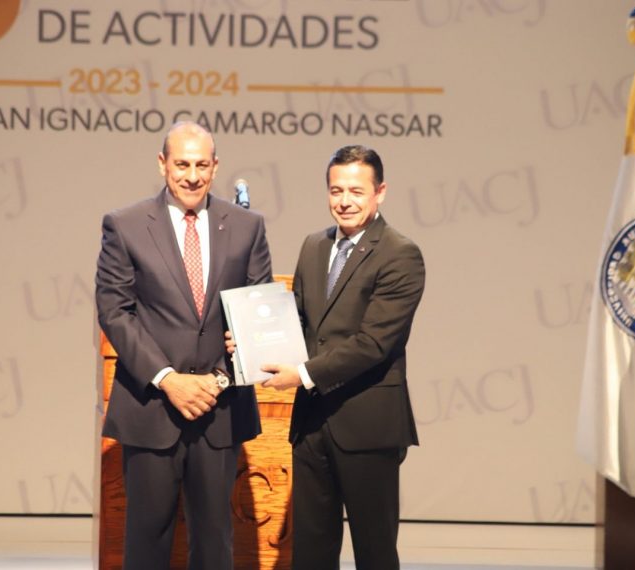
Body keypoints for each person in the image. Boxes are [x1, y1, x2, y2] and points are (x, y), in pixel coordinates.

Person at [95, 121, 272, 570]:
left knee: (215, 544)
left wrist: (216, 381)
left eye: (201, 165)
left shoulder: (247, 226)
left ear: (215, 167)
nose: (192, 176)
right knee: (147, 543)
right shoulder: (125, 225)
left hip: (220, 409)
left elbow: (257, 316)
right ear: (163, 164)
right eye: (182, 164)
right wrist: (168, 379)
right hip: (152, 407)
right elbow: (115, 311)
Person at [258, 144, 425, 570]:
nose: (344, 201)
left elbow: (374, 343)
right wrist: (253, 342)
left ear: (380, 192)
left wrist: (302, 374)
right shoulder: (314, 246)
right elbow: (299, 321)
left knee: (374, 551)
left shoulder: (400, 253)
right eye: (336, 190)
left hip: (367, 424)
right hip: (311, 423)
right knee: (310, 552)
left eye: (356, 191)